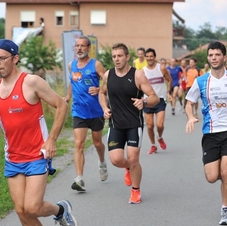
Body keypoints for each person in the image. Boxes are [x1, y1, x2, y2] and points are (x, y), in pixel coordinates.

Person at [0, 39, 77, 226]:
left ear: (15, 58)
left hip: (37, 154)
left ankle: (60, 209)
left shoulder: (32, 82)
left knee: (33, 207)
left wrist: (52, 139)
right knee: (21, 211)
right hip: (13, 158)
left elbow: (62, 105)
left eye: (2, 58)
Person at [185, 41, 227, 225]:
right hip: (210, 132)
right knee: (212, 177)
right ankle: (226, 182)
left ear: (224, 57)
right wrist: (190, 117)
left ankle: (225, 210)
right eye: (211, 55)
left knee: (226, 172)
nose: (214, 58)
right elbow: (189, 102)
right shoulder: (201, 81)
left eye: (217, 55)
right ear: (208, 58)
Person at [98, 43, 159, 204]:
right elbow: (101, 93)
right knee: (116, 160)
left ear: (127, 57)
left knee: (133, 159)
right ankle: (127, 169)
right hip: (115, 124)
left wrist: (144, 102)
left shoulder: (138, 75)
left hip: (134, 124)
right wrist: (104, 108)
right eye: (114, 56)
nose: (116, 59)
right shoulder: (108, 75)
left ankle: (135, 191)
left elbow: (154, 97)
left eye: (119, 56)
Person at [62, 36, 108, 192]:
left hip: (96, 111)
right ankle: (79, 178)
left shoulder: (96, 65)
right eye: (77, 46)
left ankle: (102, 162)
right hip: (79, 110)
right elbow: (72, 82)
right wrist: (68, 97)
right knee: (78, 143)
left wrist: (101, 89)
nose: (80, 48)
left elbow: (108, 79)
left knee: (97, 143)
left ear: (89, 48)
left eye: (83, 46)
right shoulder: (71, 65)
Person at [143, 48, 172, 154]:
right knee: (150, 125)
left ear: (155, 57)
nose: (149, 58)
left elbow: (169, 80)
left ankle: (159, 137)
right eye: (147, 56)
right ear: (145, 57)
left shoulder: (162, 68)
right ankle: (153, 145)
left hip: (160, 99)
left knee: (160, 125)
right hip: (148, 100)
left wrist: (168, 92)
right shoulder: (143, 72)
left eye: (151, 56)